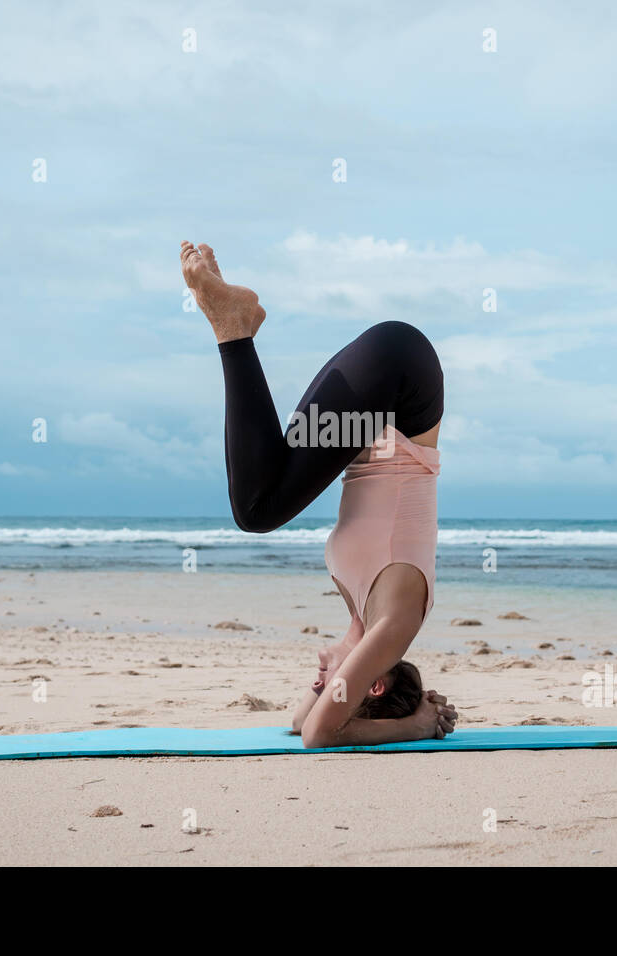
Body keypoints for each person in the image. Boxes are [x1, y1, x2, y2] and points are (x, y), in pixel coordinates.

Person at [181, 241, 458, 748]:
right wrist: (413, 725)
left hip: (381, 397)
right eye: (329, 683)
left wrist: (348, 701)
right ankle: (232, 326)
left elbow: (297, 720)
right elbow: (317, 735)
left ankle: (236, 326)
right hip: (401, 384)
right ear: (371, 682)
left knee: (259, 492)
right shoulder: (394, 623)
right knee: (258, 509)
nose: (316, 675)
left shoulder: (365, 616)